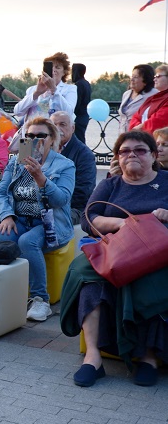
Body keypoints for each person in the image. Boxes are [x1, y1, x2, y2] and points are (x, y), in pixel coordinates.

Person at [60, 130, 168, 388]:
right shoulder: (110, 184)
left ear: (153, 156)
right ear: (117, 158)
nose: (131, 155)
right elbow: (89, 218)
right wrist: (121, 223)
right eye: (124, 151)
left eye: (140, 150)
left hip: (158, 252)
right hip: (117, 249)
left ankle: (149, 356)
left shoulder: (166, 181)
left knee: (152, 279)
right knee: (87, 274)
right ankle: (93, 357)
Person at [0, 117, 75, 322]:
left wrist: (41, 178)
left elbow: (61, 199)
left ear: (52, 139)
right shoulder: (16, 161)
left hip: (51, 223)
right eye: (29, 136)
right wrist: (7, 215)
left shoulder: (65, 165)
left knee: (27, 241)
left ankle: (40, 299)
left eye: (40, 136)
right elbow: (0, 193)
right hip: (20, 218)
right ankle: (3, 291)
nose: (34, 139)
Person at [51, 111, 97, 225]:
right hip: (39, 205)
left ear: (73, 128)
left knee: (48, 220)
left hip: (72, 208)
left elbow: (83, 192)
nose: (57, 129)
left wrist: (51, 203)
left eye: (62, 124)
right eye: (53, 125)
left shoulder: (84, 154)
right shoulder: (41, 148)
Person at [13, 52, 78, 128]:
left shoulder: (70, 89)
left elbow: (68, 113)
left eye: (57, 67)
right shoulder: (32, 89)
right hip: (31, 135)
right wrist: (36, 93)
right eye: (50, 67)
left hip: (54, 135)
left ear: (64, 72)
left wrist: (54, 90)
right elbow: (17, 112)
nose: (53, 70)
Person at [128, 63, 168, 134]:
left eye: (158, 76)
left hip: (157, 142)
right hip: (143, 139)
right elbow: (135, 117)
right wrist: (136, 129)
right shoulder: (152, 98)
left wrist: (139, 129)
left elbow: (157, 122)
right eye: (155, 76)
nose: (154, 79)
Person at [118, 64, 156, 133]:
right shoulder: (126, 94)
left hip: (141, 137)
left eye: (136, 77)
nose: (132, 79)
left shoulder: (153, 94)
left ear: (146, 80)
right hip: (124, 136)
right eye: (132, 76)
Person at [72, 63, 92, 144]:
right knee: (81, 138)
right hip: (85, 115)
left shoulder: (79, 84)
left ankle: (82, 156)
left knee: (78, 140)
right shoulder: (86, 83)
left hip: (78, 117)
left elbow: (77, 102)